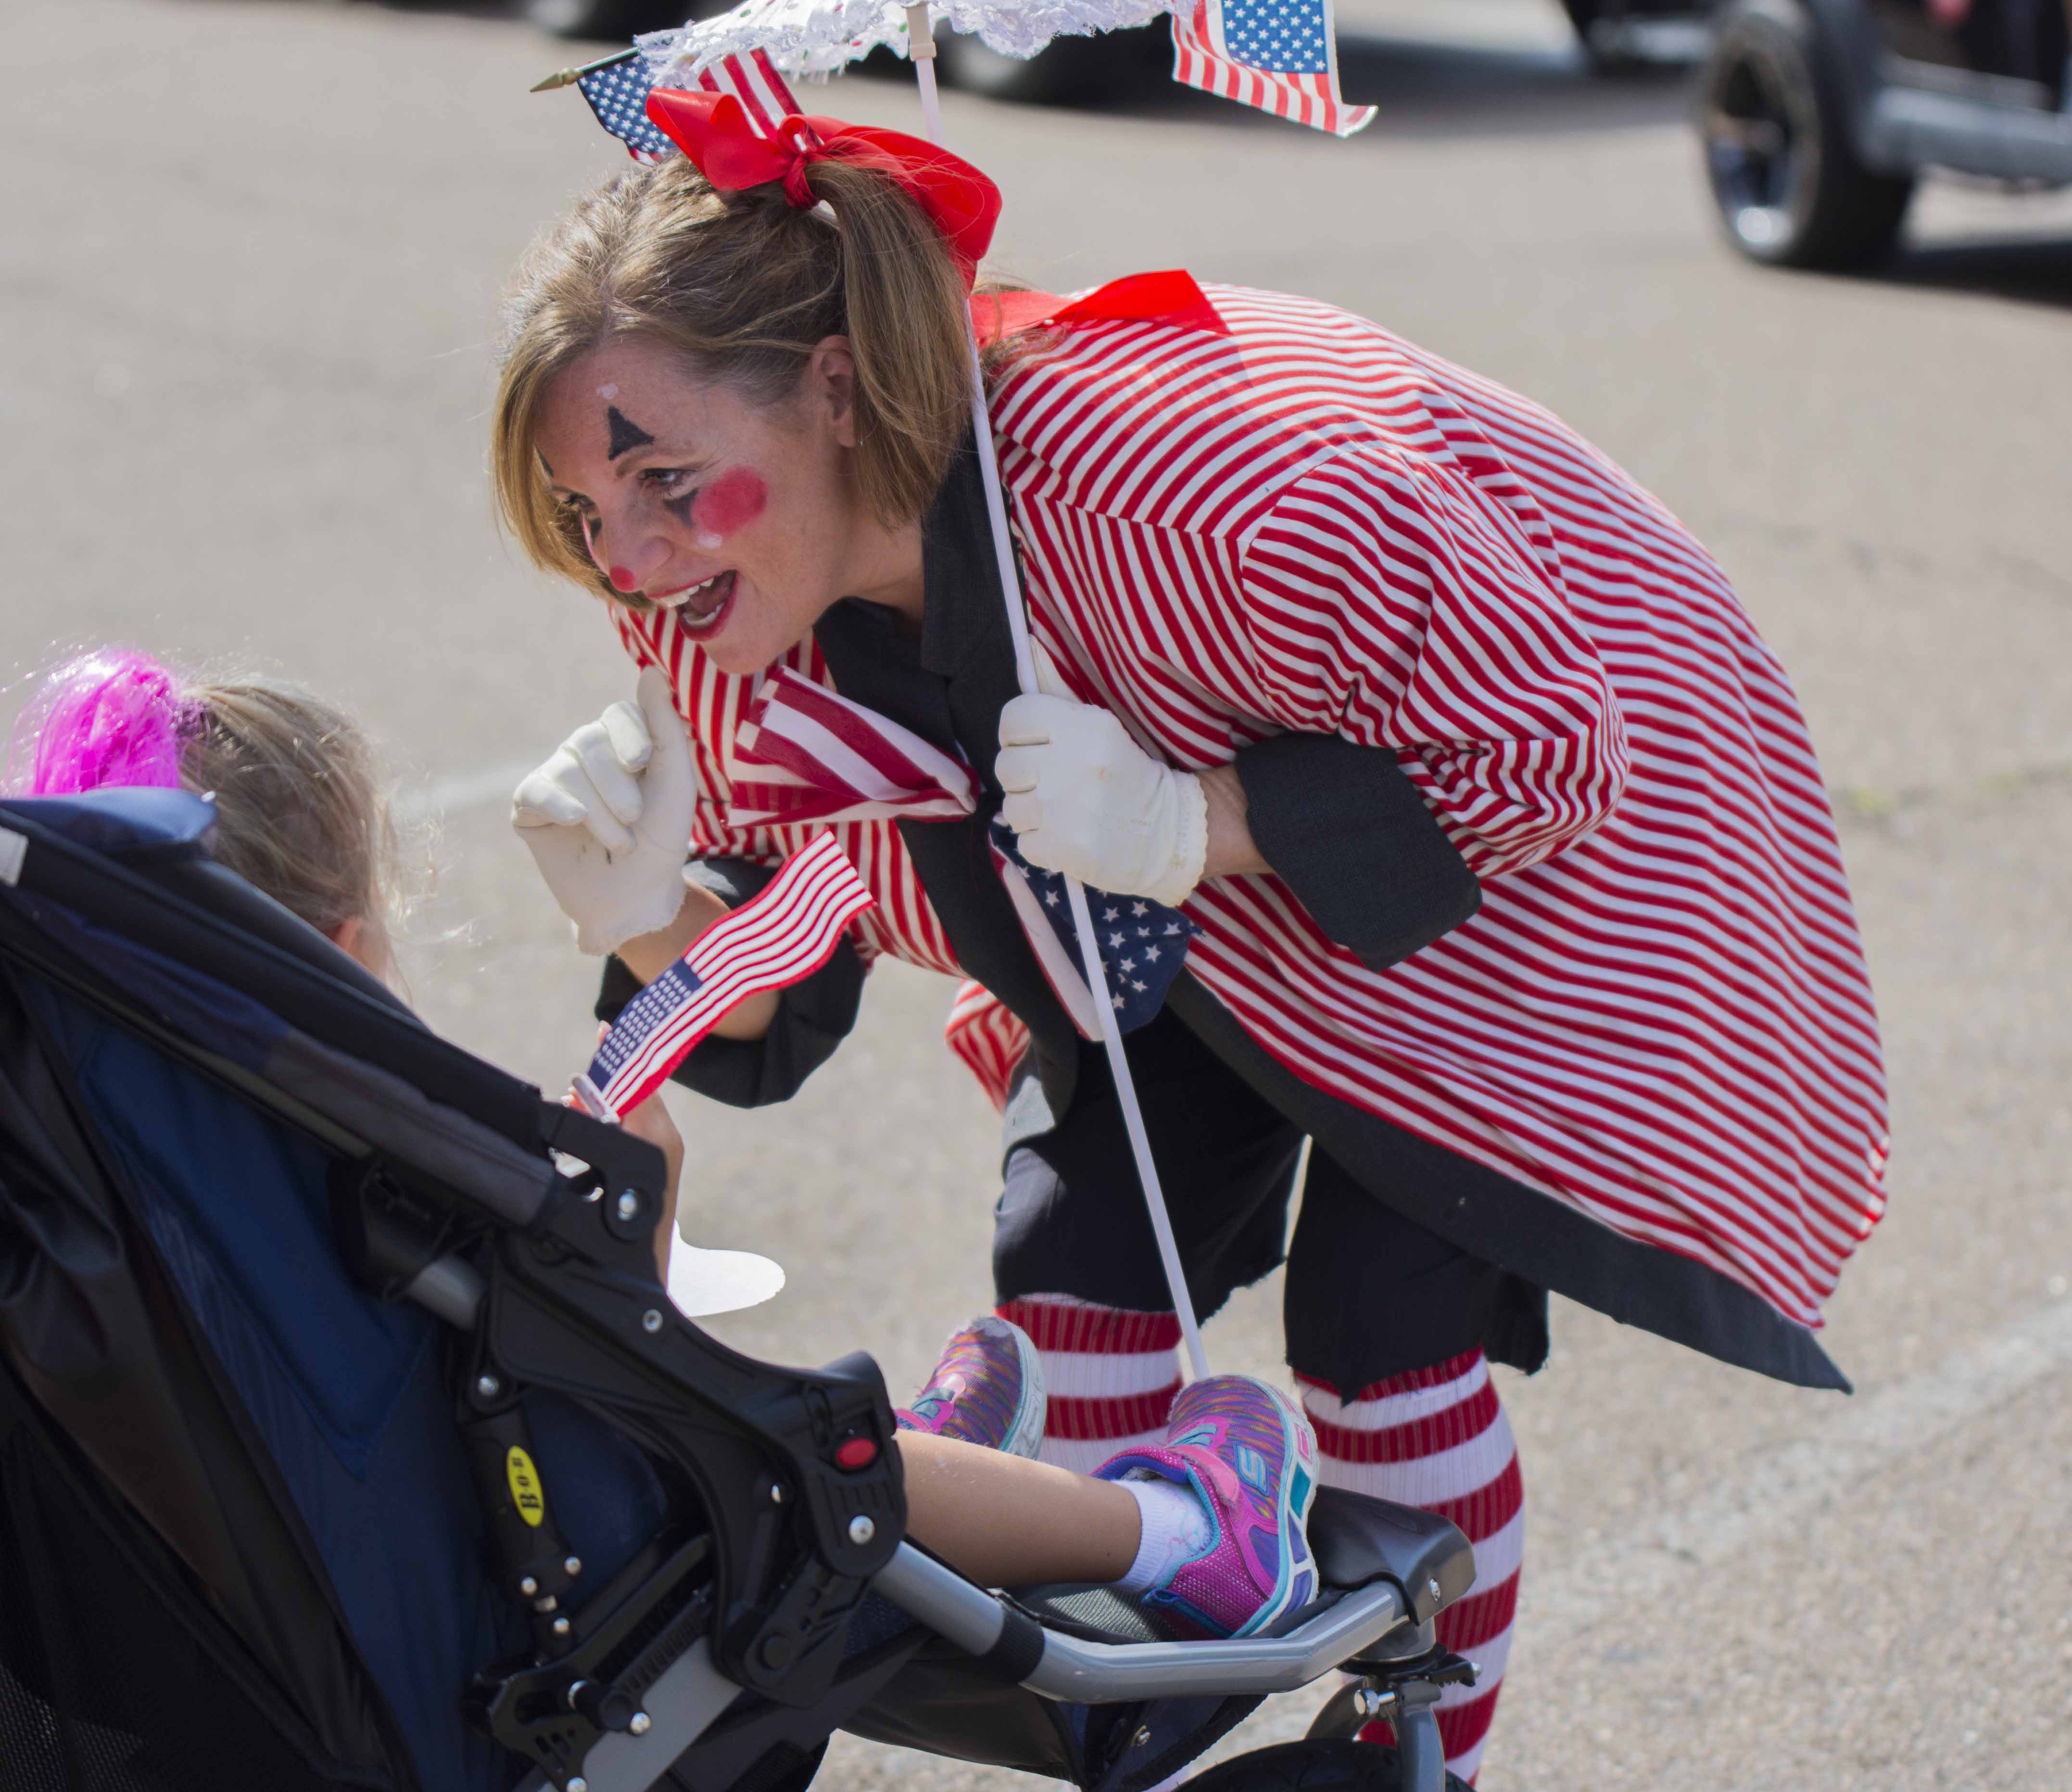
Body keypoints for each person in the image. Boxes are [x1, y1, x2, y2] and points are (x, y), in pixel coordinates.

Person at [492, 91, 1886, 1780]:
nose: (629, 558)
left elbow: (1542, 749)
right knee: (1071, 1273)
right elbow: (783, 994)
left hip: (1527, 824)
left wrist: (1191, 823)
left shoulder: (1209, 498)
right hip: (1154, 911)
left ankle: (1420, 1757)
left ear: (838, 391)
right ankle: (1145, 1694)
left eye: (662, 477)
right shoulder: (721, 608)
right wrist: (647, 914)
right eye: (586, 508)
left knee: (1380, 1332)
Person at [2, 647, 1320, 1640]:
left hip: (219, 1636)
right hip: (513, 1585)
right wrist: (639, 1199)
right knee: (767, 1443)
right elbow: (599, 1353)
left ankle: (948, 1474)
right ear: (344, 948)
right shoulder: (366, 1159)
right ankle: (1175, 1534)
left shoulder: (77, 1178)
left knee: (752, 1432)